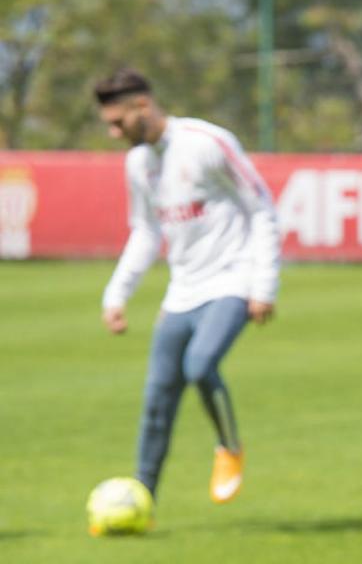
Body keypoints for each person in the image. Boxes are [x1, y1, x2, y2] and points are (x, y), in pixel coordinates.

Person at [93, 68, 280, 504]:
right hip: (182, 291)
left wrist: (263, 286)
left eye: (117, 121)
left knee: (199, 365)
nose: (112, 131)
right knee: (157, 399)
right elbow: (144, 231)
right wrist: (117, 295)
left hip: (234, 279)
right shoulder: (138, 162)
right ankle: (141, 501)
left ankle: (229, 446)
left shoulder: (207, 142)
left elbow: (262, 208)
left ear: (142, 105)